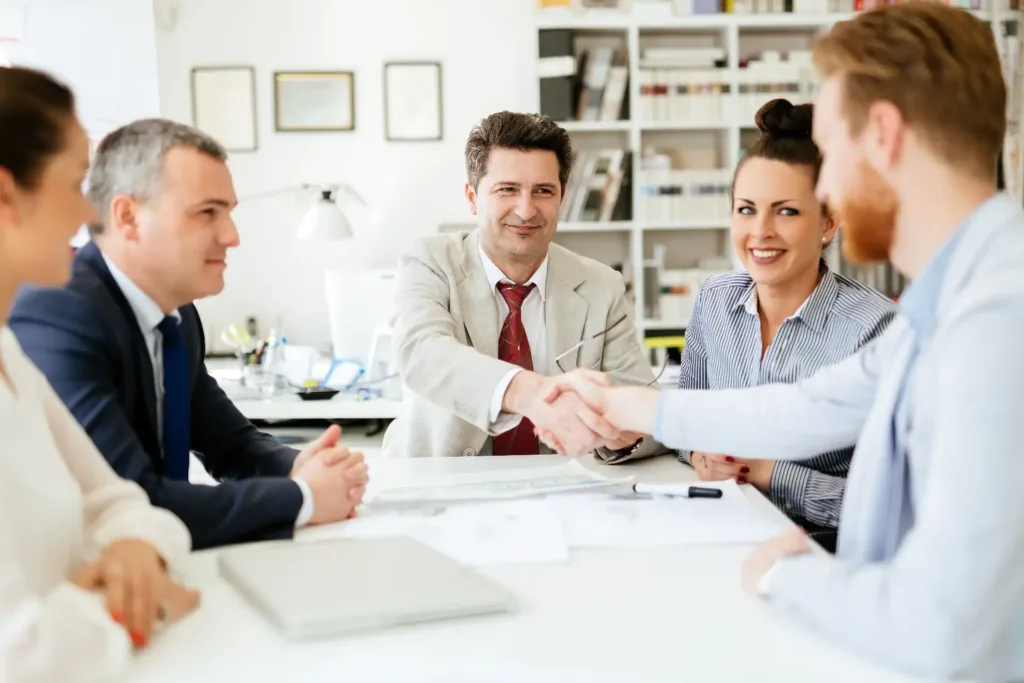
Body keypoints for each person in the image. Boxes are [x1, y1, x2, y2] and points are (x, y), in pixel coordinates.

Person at [543, 5, 1024, 680]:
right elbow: (807, 406)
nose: (824, 187)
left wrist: (783, 577)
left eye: (830, 152)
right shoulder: (947, 298)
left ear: (882, 133)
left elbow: (942, 625)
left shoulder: (999, 317)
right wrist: (623, 405)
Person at [10, 118, 368, 550]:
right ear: (128, 217)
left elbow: (231, 444)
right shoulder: (61, 311)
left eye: (229, 213)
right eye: (207, 213)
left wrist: (304, 465)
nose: (232, 236)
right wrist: (303, 497)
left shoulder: (178, 312)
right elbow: (134, 500)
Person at [607, 98, 896, 549]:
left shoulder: (876, 328)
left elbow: (891, 505)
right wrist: (701, 451)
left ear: (829, 223)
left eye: (786, 211)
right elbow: (693, 420)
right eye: (746, 209)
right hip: (718, 532)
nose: (760, 232)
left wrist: (764, 472)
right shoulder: (714, 301)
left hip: (826, 557)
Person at [0, 66, 199, 682]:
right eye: (71, 181)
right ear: (7, 197)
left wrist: (138, 548)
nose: (87, 211)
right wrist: (138, 603)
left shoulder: (9, 354)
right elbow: (18, 653)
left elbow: (121, 502)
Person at [382, 111, 652, 459]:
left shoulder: (603, 285)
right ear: (472, 197)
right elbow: (422, 353)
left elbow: (644, 406)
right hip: (441, 486)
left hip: (560, 494)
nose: (526, 210)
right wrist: (529, 392)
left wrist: (623, 436)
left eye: (543, 191)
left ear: (562, 198)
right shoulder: (430, 261)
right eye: (507, 190)